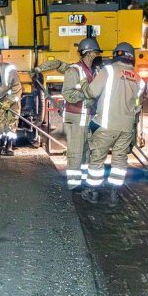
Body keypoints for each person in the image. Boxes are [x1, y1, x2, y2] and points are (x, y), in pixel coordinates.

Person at [33, 37, 101, 189]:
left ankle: (83, 183)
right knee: (76, 154)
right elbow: (68, 94)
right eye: (96, 53)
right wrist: (86, 98)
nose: (98, 56)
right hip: (76, 119)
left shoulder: (93, 71)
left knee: (86, 153)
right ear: (89, 53)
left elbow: (58, 64)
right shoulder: (74, 71)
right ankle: (74, 187)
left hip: (88, 119)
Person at [80, 42, 144, 204]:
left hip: (106, 125)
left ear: (116, 55)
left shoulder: (108, 71)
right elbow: (137, 106)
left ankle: (93, 192)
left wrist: (83, 85)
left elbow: (92, 92)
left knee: (97, 158)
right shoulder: (139, 79)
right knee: (119, 160)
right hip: (126, 128)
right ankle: (114, 194)